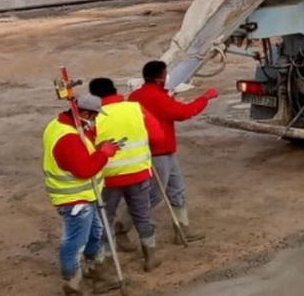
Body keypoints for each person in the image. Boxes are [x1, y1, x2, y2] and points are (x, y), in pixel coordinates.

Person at [129, 61, 220, 243]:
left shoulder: (135, 96)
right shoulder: (157, 97)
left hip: (163, 151)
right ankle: (120, 227)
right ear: (159, 78)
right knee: (152, 195)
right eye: (165, 74)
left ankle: (183, 229)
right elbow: (184, 113)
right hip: (159, 152)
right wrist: (205, 98)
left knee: (176, 189)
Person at [43, 92, 122, 294]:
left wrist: (98, 147)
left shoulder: (64, 126)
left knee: (95, 234)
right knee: (75, 242)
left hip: (87, 196)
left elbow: (83, 153)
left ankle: (96, 273)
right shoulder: (67, 137)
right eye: (94, 117)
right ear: (85, 113)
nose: (95, 122)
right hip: (75, 200)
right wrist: (103, 154)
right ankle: (72, 285)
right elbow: (84, 169)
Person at [88, 77, 165, 271]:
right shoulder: (135, 108)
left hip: (108, 178)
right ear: (115, 90)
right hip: (138, 173)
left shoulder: (93, 117)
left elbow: (87, 149)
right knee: (143, 215)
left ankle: (107, 261)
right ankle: (150, 257)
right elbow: (157, 136)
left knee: (105, 219)